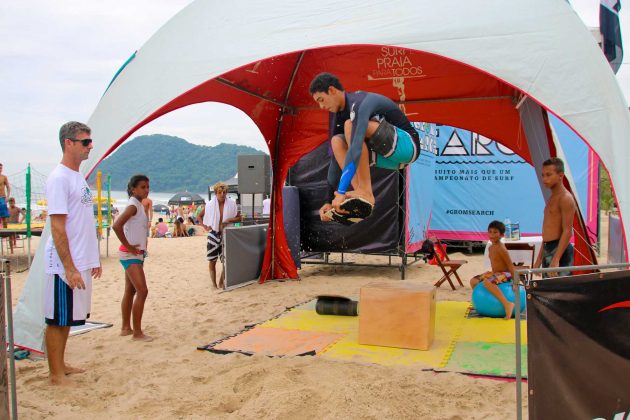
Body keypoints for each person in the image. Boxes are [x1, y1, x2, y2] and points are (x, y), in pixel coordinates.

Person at [309, 73, 421, 224]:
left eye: (321, 100)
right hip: (389, 158)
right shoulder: (336, 118)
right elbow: (336, 161)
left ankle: (365, 192)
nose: (321, 106)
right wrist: (330, 199)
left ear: (332, 90)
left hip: (408, 147)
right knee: (337, 142)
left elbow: (355, 148)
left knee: (351, 126)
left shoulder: (359, 102)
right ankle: (362, 197)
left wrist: (342, 191)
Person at [44, 121, 102, 386]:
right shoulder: (59, 178)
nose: (90, 146)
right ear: (69, 143)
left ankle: (62, 364)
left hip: (80, 260)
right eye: (85, 142)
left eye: (90, 141)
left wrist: (93, 259)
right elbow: (57, 226)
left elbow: (82, 222)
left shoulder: (78, 176)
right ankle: (55, 373)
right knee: (57, 318)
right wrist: (68, 267)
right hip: (62, 264)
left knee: (66, 317)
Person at [112, 174, 152, 342]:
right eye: (142, 187)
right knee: (142, 291)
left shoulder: (138, 204)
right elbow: (116, 225)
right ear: (133, 189)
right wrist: (128, 246)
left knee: (130, 290)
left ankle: (126, 328)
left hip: (135, 253)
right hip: (130, 254)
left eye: (148, 186)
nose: (146, 189)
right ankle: (137, 332)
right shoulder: (133, 206)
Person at [534, 157, 576, 277]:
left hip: (559, 251)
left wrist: (556, 258)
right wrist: (539, 259)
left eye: (548, 175)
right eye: (543, 175)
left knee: (560, 292)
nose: (544, 179)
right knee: (547, 292)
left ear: (560, 175)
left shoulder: (565, 198)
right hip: (549, 249)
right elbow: (547, 233)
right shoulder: (552, 198)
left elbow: (567, 231)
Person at [470, 221, 516, 320]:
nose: (492, 235)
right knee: (473, 281)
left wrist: (515, 281)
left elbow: (511, 266)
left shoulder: (502, 249)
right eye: (490, 232)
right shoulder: (491, 248)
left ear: (502, 235)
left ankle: (507, 304)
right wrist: (491, 275)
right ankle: (482, 303)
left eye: (495, 232)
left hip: (506, 274)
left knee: (487, 283)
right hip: (495, 273)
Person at [199, 182, 240, 289]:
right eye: (220, 192)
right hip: (213, 234)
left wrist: (230, 219)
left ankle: (221, 282)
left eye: (224, 192)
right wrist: (205, 226)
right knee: (212, 260)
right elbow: (199, 216)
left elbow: (239, 218)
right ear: (216, 193)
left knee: (226, 261)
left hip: (226, 234)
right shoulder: (210, 204)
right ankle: (214, 284)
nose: (222, 194)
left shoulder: (231, 204)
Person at [0, 163, 10, 228]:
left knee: (4, 217)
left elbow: (8, 187)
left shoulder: (4, 177)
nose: (0, 169)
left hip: (2, 198)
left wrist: (7, 197)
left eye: (1, 168)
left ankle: (5, 232)